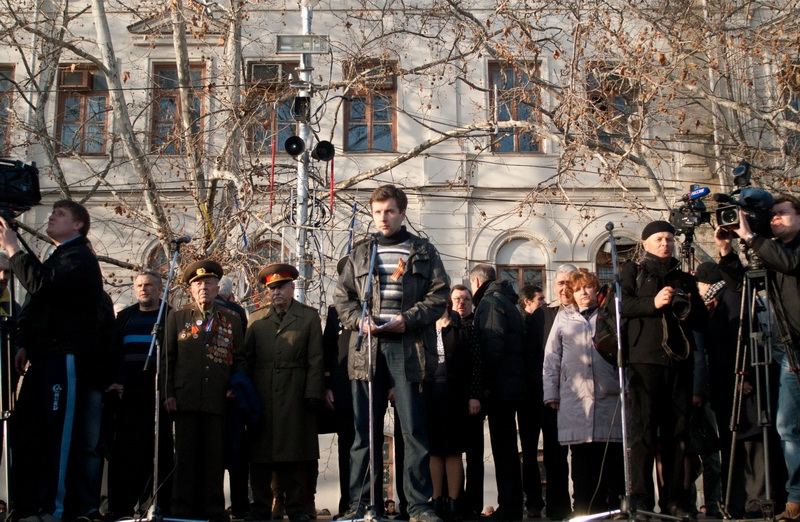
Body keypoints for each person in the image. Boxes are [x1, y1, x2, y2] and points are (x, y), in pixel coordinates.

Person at [334, 184, 449, 522]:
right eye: (377, 212)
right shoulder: (360, 252)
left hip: (408, 347)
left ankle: (417, 505)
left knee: (413, 430)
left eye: (389, 211)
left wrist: (408, 320)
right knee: (364, 432)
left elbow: (438, 295)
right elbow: (343, 299)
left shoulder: (423, 252)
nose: (382, 218)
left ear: (402, 212)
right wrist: (360, 321)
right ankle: (361, 505)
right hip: (367, 349)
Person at [0, 201, 108, 522]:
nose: (51, 217)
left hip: (66, 358)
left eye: (61, 214)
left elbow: (41, 284)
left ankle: (55, 509)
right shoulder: (57, 257)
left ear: (78, 225)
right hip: (42, 359)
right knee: (26, 432)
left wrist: (13, 249)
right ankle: (27, 507)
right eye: (53, 212)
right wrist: (25, 345)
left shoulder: (80, 259)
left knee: (59, 434)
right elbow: (40, 304)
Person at [717, 194, 800, 521]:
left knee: (787, 425)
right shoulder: (772, 251)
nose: (775, 219)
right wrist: (727, 251)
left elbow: (791, 264)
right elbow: (744, 284)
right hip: (785, 345)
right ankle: (795, 498)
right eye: (773, 215)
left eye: (781, 214)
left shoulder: (789, 252)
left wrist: (752, 236)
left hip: (797, 345)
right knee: (786, 425)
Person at [621, 220, 706, 520]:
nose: (665, 243)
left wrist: (692, 305)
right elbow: (621, 307)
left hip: (679, 362)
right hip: (644, 362)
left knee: (677, 433)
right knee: (643, 433)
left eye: (669, 239)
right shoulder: (632, 271)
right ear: (645, 243)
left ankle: (674, 499)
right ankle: (641, 499)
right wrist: (653, 302)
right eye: (658, 238)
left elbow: (700, 322)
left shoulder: (683, 277)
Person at [162, 259, 245, 522]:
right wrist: (169, 394)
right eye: (198, 284)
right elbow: (167, 360)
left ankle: (213, 509)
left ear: (217, 285)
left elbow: (240, 358)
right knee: (185, 456)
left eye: (208, 283)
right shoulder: (176, 317)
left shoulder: (231, 318)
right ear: (190, 288)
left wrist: (234, 386)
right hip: (185, 397)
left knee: (214, 458)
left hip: (218, 398)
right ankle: (182, 509)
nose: (204, 288)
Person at [244, 263, 324, 522]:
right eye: (272, 289)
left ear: (292, 288)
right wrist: (245, 395)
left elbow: (316, 359)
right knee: (260, 455)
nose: (276, 293)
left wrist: (313, 393)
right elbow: (246, 359)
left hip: (295, 392)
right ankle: (261, 506)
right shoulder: (256, 319)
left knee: (295, 454)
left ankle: (296, 507)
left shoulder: (309, 317)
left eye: (281, 287)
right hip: (263, 393)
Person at [542, 268, 624, 515]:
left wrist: (626, 386)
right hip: (574, 400)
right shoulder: (563, 318)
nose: (583, 292)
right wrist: (551, 393)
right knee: (581, 463)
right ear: (571, 293)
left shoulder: (609, 315)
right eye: (577, 289)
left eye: (587, 287)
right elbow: (551, 357)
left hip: (609, 397)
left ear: (596, 289)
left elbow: (624, 353)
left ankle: (614, 510)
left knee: (611, 461)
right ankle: (584, 512)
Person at [107, 271, 174, 517]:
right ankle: (121, 507)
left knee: (159, 452)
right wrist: (115, 382)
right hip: (128, 394)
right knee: (126, 453)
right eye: (139, 285)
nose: (143, 289)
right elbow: (114, 353)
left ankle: (157, 505)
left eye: (148, 285)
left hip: (157, 393)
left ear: (159, 289)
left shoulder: (170, 317)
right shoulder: (125, 317)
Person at [469, 264, 527, 520]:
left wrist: (485, 383)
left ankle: (510, 505)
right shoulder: (506, 299)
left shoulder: (490, 302)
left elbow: (492, 342)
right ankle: (511, 502)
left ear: (475, 281)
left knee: (503, 447)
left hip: (501, 386)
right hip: (512, 382)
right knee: (507, 447)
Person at [428, 297, 482, 521]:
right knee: (434, 450)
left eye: (442, 304)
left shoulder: (463, 330)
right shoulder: (425, 331)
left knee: (453, 450)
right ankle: (436, 500)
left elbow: (475, 365)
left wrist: (474, 395)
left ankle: (453, 502)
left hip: (456, 397)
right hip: (431, 396)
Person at [532, 264, 576, 520]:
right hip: (552, 398)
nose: (563, 288)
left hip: (583, 396)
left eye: (568, 282)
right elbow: (536, 356)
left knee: (583, 454)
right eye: (559, 283)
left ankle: (586, 504)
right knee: (554, 454)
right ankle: (558, 508)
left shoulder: (590, 312)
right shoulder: (543, 316)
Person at [322, 257, 356, 518]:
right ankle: (348, 505)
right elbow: (327, 352)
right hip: (344, 395)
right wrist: (327, 385)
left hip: (369, 390)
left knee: (371, 448)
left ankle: (370, 501)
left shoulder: (374, 306)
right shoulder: (335, 312)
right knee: (346, 451)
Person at [449, 285, 485, 519]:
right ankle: (453, 500)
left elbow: (478, 365)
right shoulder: (445, 326)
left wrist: (475, 395)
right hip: (449, 401)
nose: (461, 303)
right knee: (450, 453)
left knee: (473, 454)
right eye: (456, 299)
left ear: (472, 302)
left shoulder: (476, 327)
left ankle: (473, 504)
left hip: (470, 400)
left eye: (465, 299)